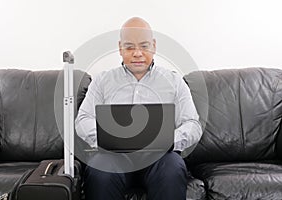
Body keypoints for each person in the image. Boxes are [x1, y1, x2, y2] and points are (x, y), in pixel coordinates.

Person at [75, 17, 202, 200]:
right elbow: (83, 119)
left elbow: (192, 124)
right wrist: (108, 138)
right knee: (100, 169)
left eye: (144, 46)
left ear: (154, 46)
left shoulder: (174, 82)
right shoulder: (103, 81)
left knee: (172, 168)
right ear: (120, 48)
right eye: (129, 47)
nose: (137, 53)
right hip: (115, 156)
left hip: (160, 157)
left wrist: (168, 140)